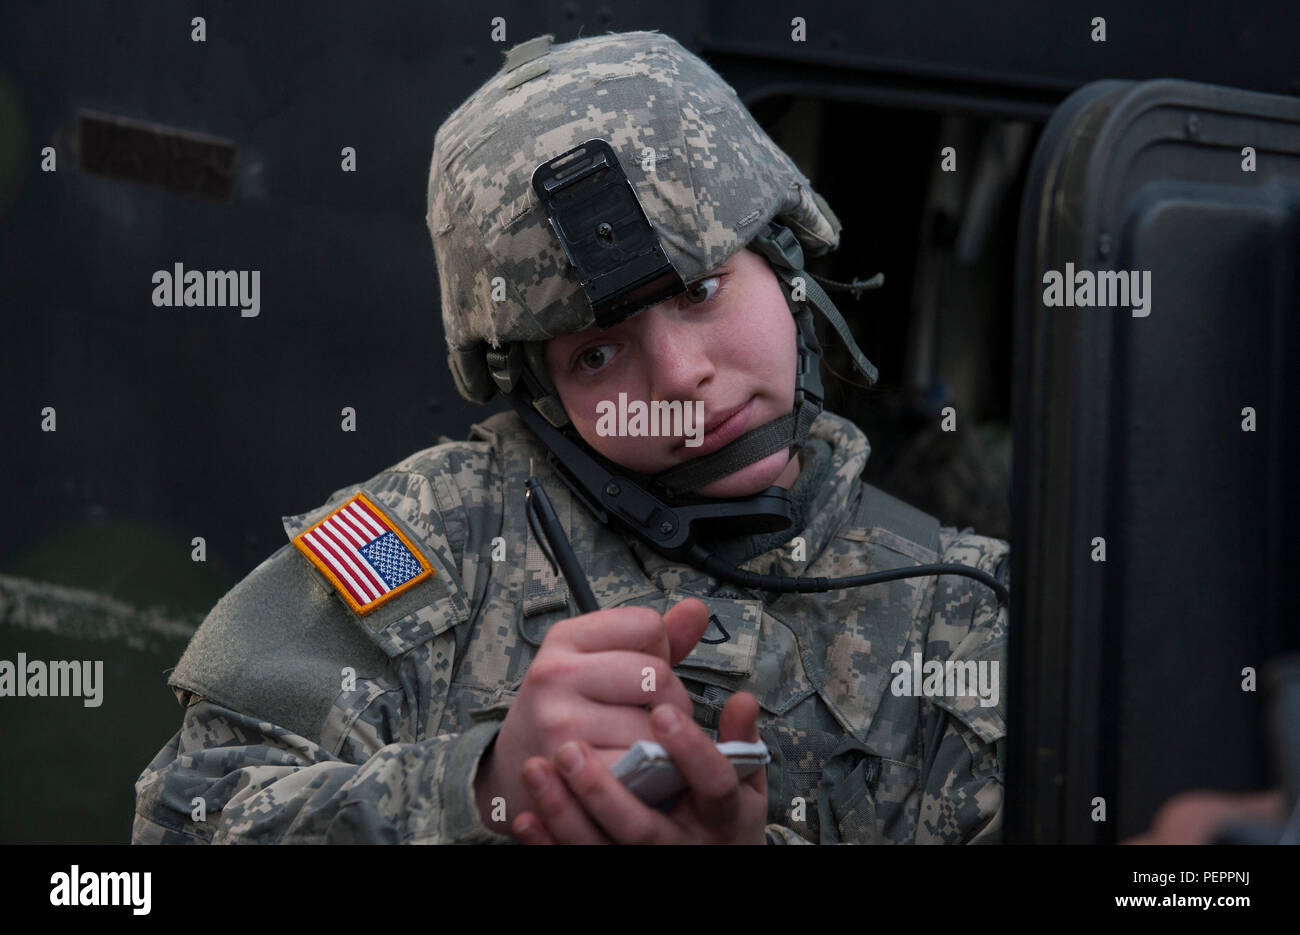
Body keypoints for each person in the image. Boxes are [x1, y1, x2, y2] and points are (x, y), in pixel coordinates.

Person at [132, 29, 1010, 845]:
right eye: (596, 352)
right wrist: (477, 790)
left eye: (700, 291)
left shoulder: (966, 609)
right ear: (538, 393)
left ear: (786, 263)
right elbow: (176, 823)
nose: (677, 378)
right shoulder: (427, 540)